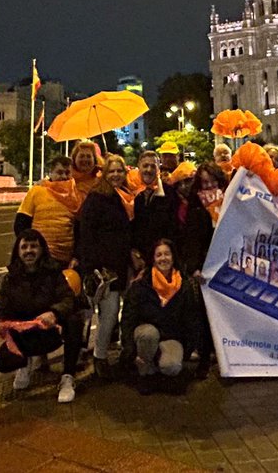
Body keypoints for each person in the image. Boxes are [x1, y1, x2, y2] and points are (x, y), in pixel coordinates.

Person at [0, 229, 81, 404]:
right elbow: (2, 312)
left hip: (50, 330)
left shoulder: (53, 273)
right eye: (24, 247)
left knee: (74, 320)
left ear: (42, 249)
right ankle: (23, 364)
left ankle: (67, 377)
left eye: (34, 246)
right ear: (17, 251)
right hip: (25, 333)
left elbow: (67, 298)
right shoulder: (10, 280)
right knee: (3, 362)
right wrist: (7, 327)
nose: (29, 251)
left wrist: (54, 313)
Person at [74, 154, 136, 379]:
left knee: (117, 314)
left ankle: (107, 354)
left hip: (123, 264)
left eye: (120, 171)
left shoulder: (126, 196)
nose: (116, 175)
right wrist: (91, 267)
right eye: (112, 171)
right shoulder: (96, 198)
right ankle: (99, 357)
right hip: (105, 268)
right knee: (108, 314)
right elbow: (87, 234)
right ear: (104, 174)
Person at [121, 239, 201, 394]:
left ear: (173, 257)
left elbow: (192, 319)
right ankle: (145, 372)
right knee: (149, 334)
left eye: (167, 254)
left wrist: (187, 349)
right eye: (159, 255)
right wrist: (130, 349)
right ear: (153, 259)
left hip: (171, 337)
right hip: (147, 334)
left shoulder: (184, 286)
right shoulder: (141, 284)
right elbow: (128, 318)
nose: (163, 258)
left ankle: (157, 362)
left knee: (172, 367)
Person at [171, 162, 226, 376]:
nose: (210, 185)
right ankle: (204, 358)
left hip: (226, 266)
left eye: (213, 180)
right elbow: (191, 241)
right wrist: (194, 267)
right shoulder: (196, 208)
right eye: (204, 182)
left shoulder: (230, 202)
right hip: (206, 268)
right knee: (204, 315)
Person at [14, 155, 81, 266]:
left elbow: (79, 230)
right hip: (40, 258)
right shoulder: (37, 192)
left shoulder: (76, 195)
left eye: (67, 173)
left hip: (66, 259)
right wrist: (30, 248)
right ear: (51, 173)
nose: (64, 176)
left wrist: (76, 256)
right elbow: (21, 224)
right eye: (59, 172)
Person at [132, 150, 175, 260]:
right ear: (139, 166)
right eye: (145, 166)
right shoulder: (129, 192)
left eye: (153, 166)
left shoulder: (169, 193)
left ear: (158, 168)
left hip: (161, 256)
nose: (149, 170)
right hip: (135, 257)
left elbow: (172, 227)